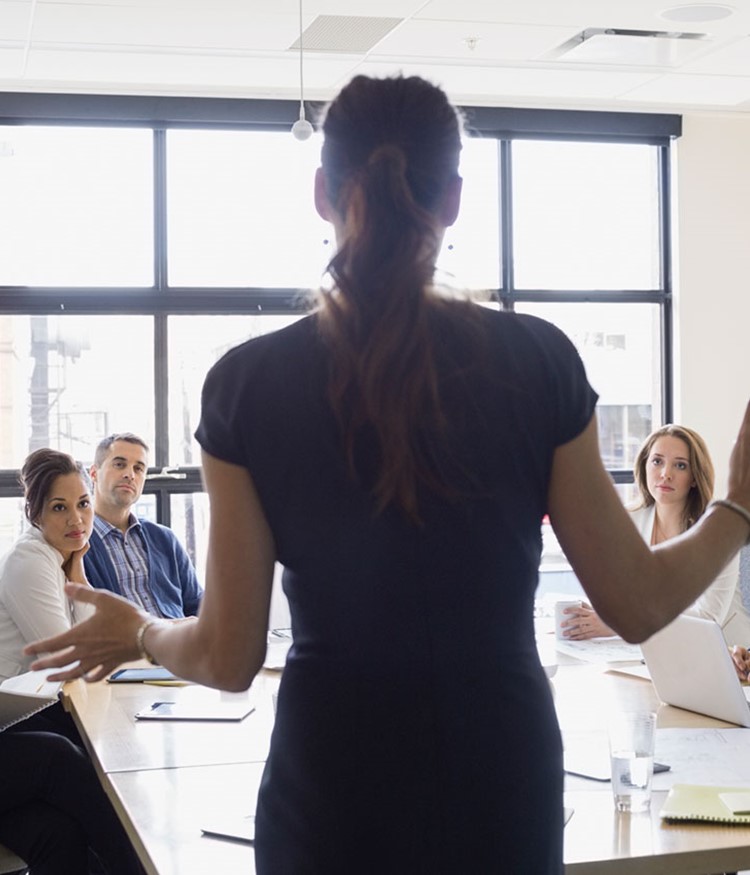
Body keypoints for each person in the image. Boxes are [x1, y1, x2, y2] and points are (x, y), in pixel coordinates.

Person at [25, 75, 750, 875]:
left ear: (321, 194)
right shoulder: (537, 361)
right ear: (456, 200)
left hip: (331, 792)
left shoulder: (248, 383)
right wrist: (740, 503)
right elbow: (639, 601)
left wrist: (140, 628)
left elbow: (229, 656)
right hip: (501, 785)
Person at [0, 448, 144, 875]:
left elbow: (90, 646)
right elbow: (71, 657)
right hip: (9, 726)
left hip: (15, 724)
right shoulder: (30, 561)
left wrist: (78, 571)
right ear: (35, 514)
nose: (77, 520)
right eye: (59, 508)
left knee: (60, 833)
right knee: (62, 756)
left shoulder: (61, 559)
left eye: (83, 504)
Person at [559, 424, 750, 642]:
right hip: (652, 652)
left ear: (695, 477)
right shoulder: (629, 520)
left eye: (680, 465)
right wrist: (597, 614)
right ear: (644, 465)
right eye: (657, 461)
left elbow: (708, 617)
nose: (665, 474)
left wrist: (619, 624)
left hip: (728, 655)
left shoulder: (718, 528)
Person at [84, 433, 203, 618]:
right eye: (119, 464)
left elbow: (198, 606)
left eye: (138, 468)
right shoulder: (78, 542)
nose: (130, 474)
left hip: (179, 643)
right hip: (123, 645)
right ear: (93, 473)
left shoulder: (165, 539)